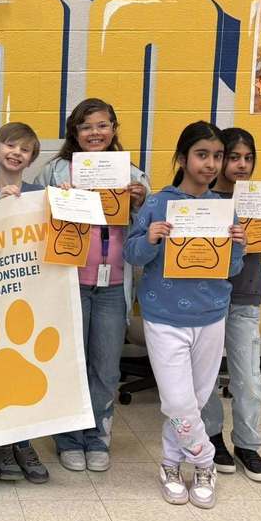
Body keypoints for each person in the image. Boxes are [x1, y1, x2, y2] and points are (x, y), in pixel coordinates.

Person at [124, 121, 246, 509]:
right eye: (201, 155)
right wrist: (150, 238)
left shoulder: (225, 209)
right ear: (181, 158)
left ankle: (171, 464)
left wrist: (239, 245)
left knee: (194, 398)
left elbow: (233, 268)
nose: (211, 164)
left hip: (211, 313)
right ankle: (206, 461)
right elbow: (132, 255)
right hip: (163, 315)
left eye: (217, 156)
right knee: (177, 401)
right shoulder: (158, 203)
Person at [37, 99, 150, 473]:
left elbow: (149, 228)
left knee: (105, 365)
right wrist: (57, 200)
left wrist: (139, 202)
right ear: (75, 132)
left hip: (114, 285)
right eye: (86, 127)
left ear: (115, 128)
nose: (95, 133)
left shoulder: (134, 175)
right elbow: (33, 222)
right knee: (70, 363)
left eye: (103, 125)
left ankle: (97, 433)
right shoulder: (55, 171)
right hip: (69, 282)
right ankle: (68, 436)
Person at [201, 128, 261, 482]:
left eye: (248, 158)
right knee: (207, 376)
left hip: (244, 295)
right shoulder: (202, 196)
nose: (241, 164)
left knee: (249, 378)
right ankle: (211, 436)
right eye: (233, 157)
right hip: (205, 297)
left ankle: (247, 443)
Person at [0, 122, 50, 484]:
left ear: (32, 158)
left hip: (30, 297)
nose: (16, 153)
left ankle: (23, 442)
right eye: (10, 145)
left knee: (25, 371)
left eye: (25, 149)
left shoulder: (42, 195)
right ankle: (0, 445)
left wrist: (67, 201)